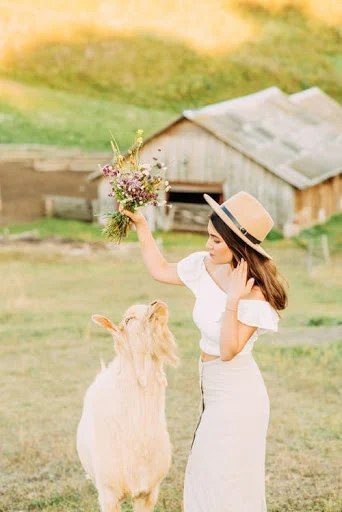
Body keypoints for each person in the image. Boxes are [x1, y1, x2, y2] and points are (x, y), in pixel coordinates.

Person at [119, 190, 288, 512]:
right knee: (206, 471)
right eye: (208, 237)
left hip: (240, 395)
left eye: (216, 241)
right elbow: (160, 270)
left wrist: (233, 301)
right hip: (213, 388)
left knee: (225, 474)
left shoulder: (254, 294)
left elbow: (228, 351)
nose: (208, 246)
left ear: (238, 246)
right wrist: (141, 225)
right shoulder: (204, 266)